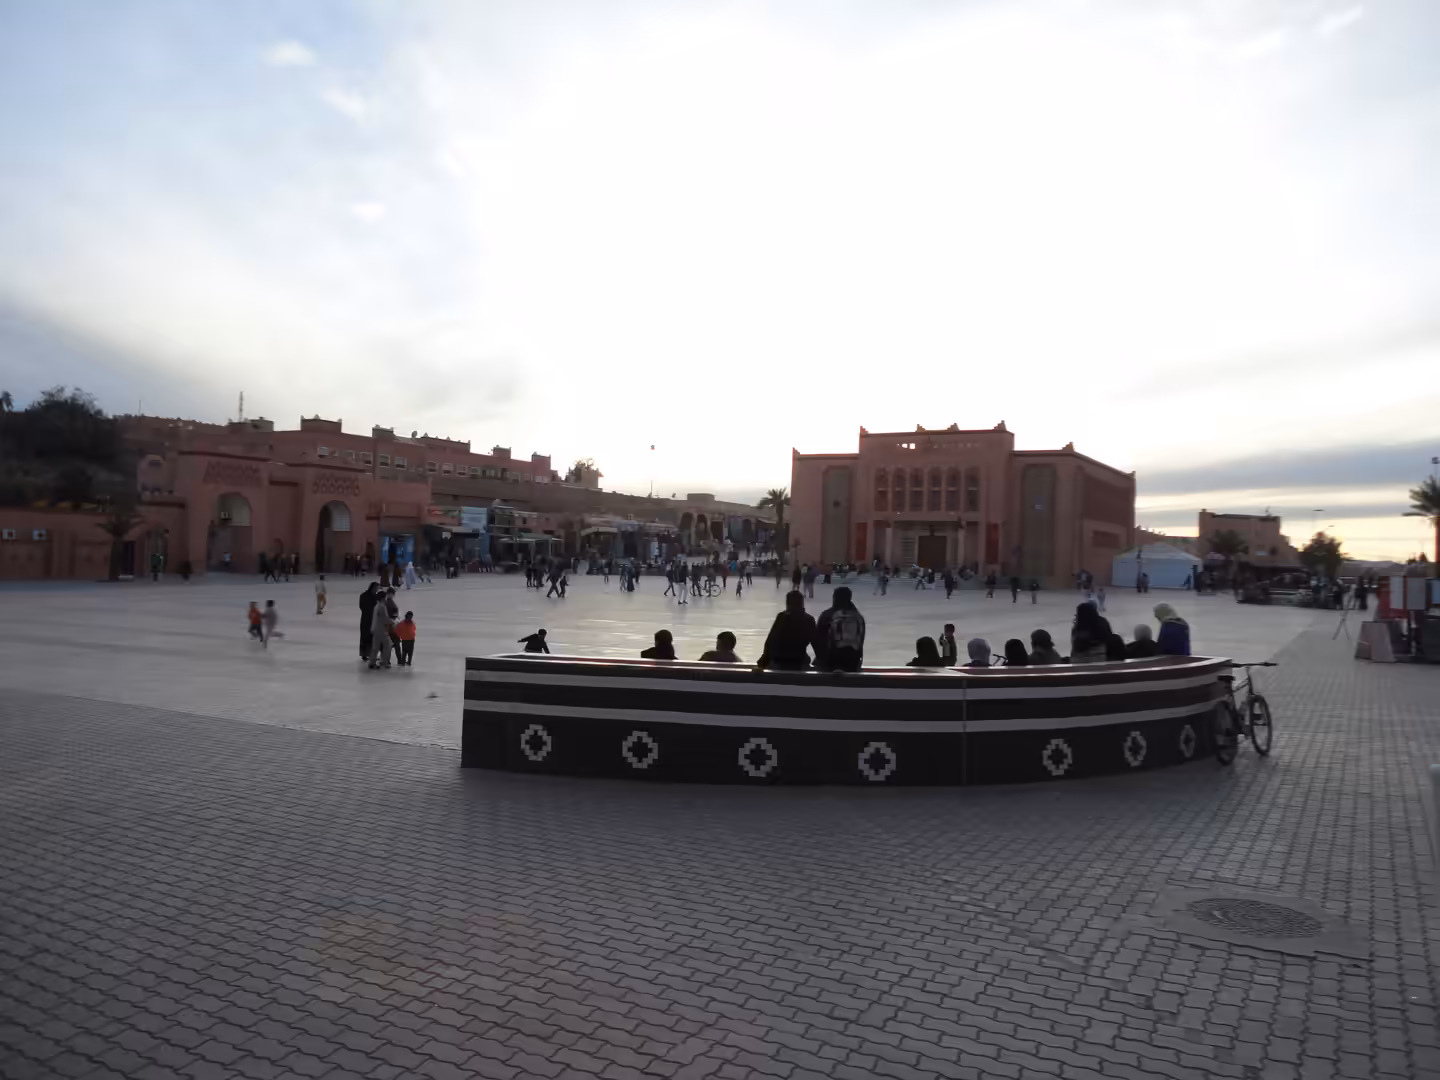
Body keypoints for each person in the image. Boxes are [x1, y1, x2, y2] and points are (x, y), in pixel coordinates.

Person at [757, 591, 817, 671]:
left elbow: (770, 642)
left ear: (787, 603)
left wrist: (763, 663)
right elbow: (817, 645)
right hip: (798, 661)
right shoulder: (808, 620)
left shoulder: (781, 617)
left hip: (778, 661)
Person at [815, 586, 866, 672]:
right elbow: (860, 641)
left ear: (835, 598)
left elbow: (818, 640)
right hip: (853, 662)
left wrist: (820, 659)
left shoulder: (827, 615)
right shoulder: (858, 617)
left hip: (831, 663)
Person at [368, 599, 394, 668]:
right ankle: (384, 662)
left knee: (375, 647)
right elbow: (385, 618)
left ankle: (372, 663)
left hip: (375, 629)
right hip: (382, 631)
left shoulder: (376, 606)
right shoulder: (382, 607)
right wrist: (393, 622)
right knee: (388, 645)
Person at [359, 582, 379, 659]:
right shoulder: (367, 596)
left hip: (369, 618)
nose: (377, 590)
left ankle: (369, 653)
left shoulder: (366, 596)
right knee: (366, 636)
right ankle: (365, 654)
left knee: (370, 636)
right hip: (367, 618)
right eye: (376, 588)